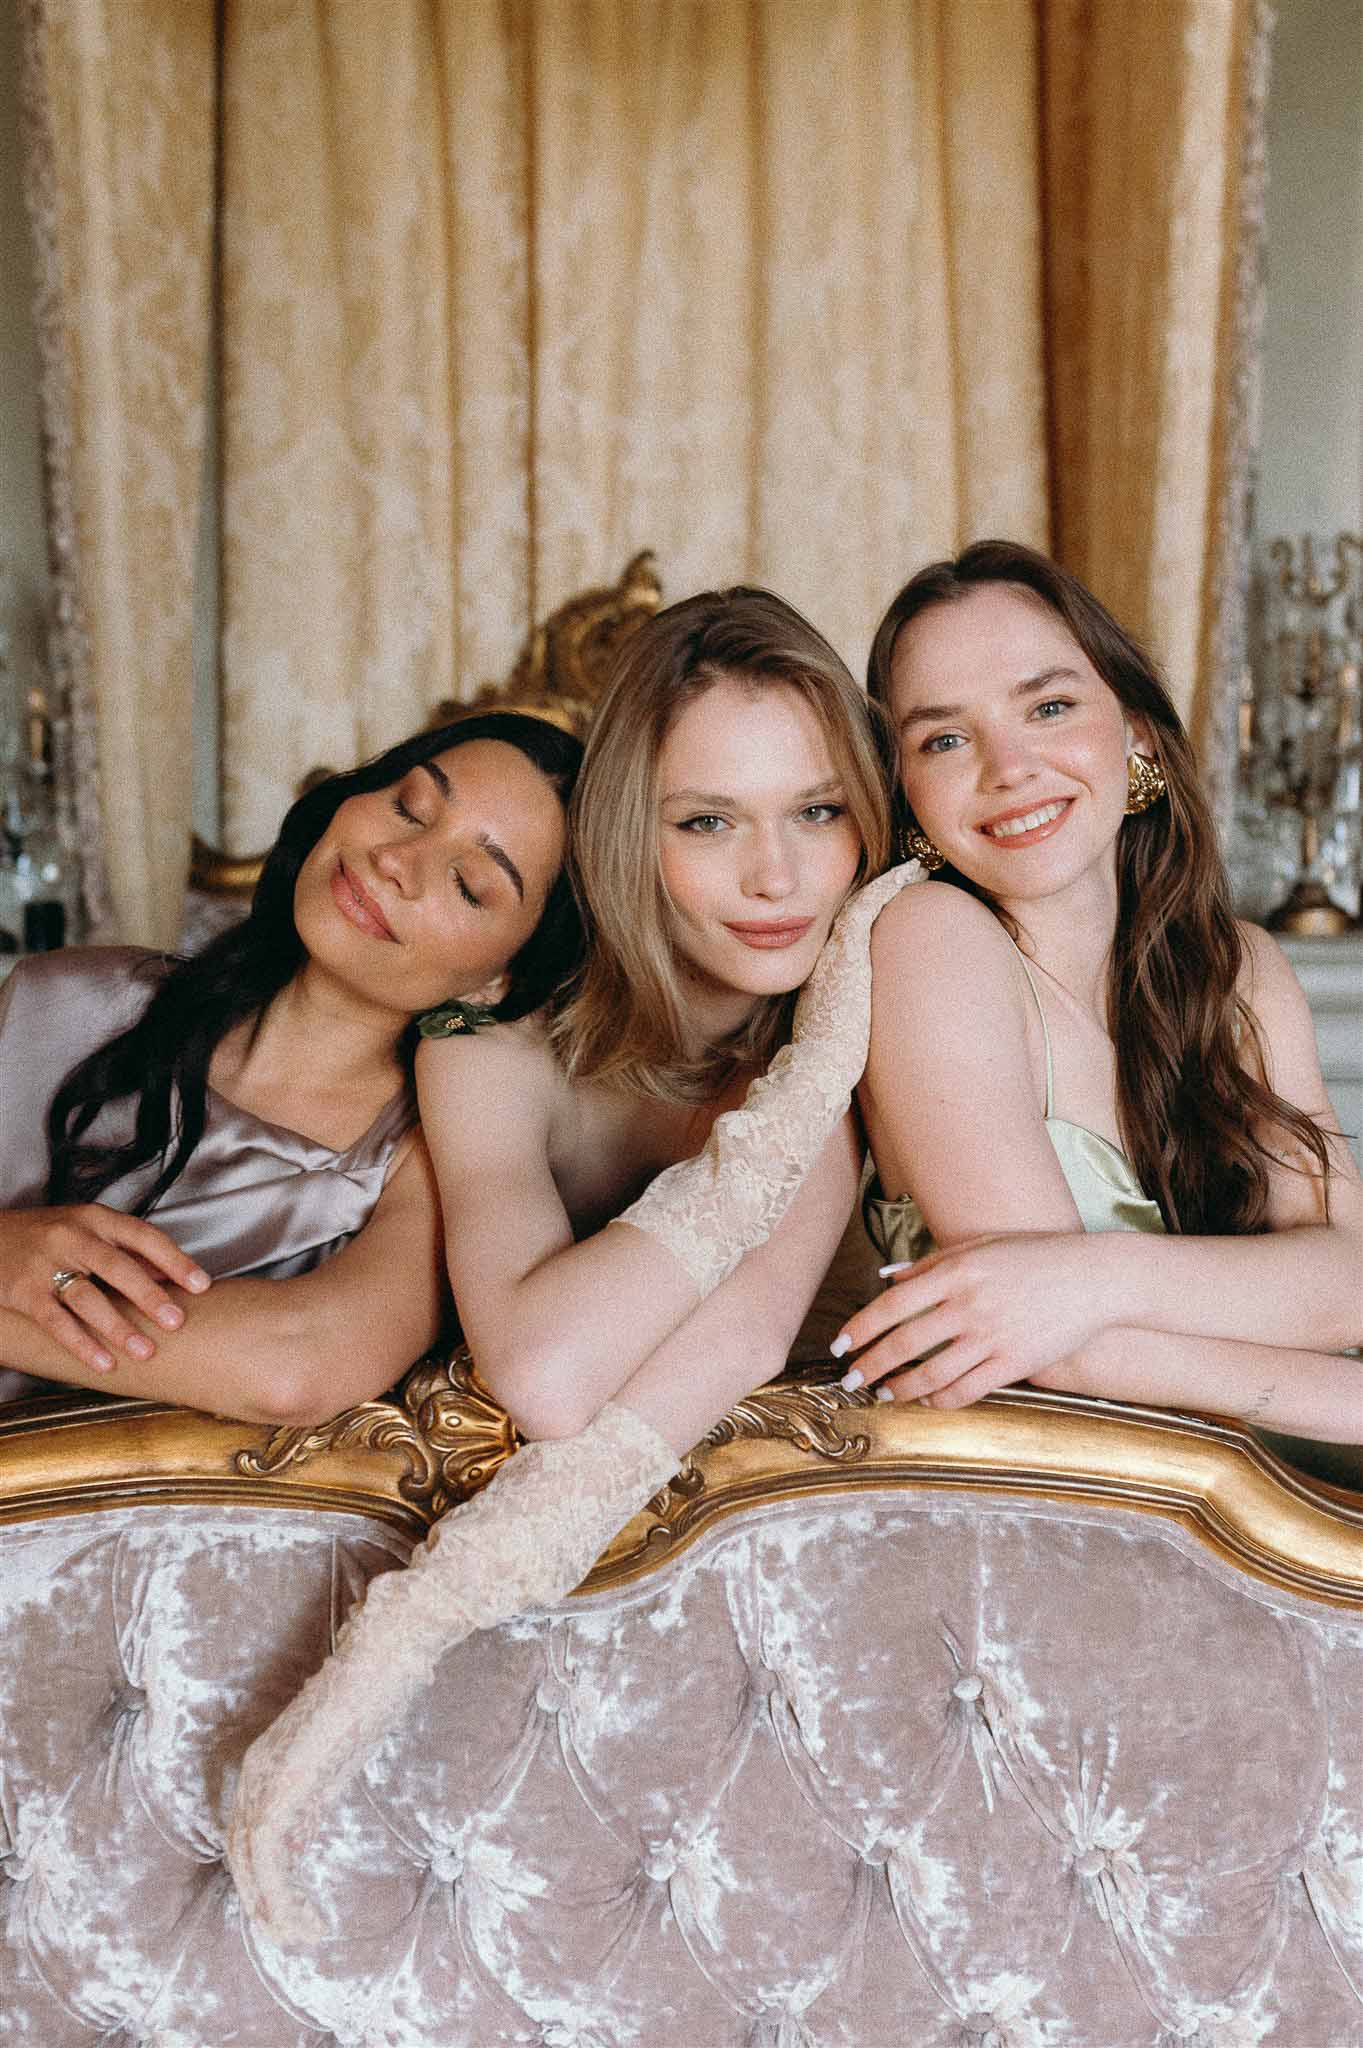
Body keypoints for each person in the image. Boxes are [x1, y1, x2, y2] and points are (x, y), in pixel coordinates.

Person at [227, 587, 917, 1944]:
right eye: (706, 821)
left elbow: (721, 1345)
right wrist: (801, 1090)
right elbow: (545, 1376)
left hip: (811, 1624)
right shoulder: (487, 1047)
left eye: (817, 813)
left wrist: (827, 1070)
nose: (774, 879)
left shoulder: (879, 1024)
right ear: (625, 837)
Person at [829, 540, 1362, 1441]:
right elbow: (1066, 1362)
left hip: (1246, 1488)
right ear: (907, 790)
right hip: (1058, 1501)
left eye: (1048, 706)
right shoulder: (931, 942)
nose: (1008, 767)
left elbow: (1348, 1283)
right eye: (945, 737)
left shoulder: (1238, 970)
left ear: (1138, 733)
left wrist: (1087, 1279)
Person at [0, 710, 584, 1423]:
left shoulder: (438, 1162)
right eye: (407, 806)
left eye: (469, 883)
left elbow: (298, 1362)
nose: (395, 859)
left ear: (502, 980)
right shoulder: (54, 999)